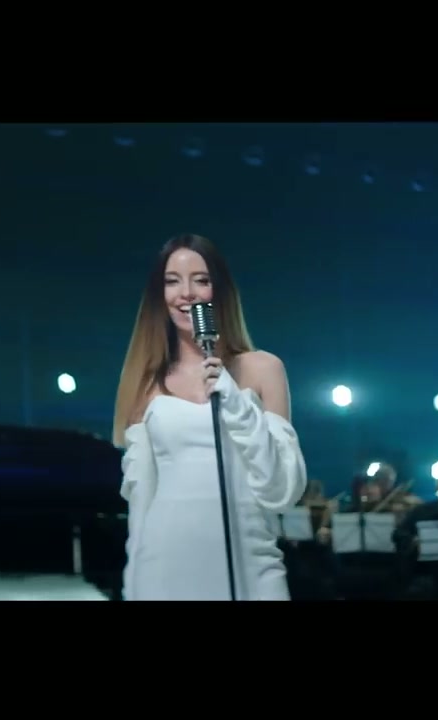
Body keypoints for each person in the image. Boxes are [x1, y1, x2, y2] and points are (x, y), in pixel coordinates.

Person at [112, 233, 307, 600]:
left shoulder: (264, 368)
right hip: (164, 562)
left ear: (221, 291)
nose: (186, 293)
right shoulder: (145, 383)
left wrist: (234, 402)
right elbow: (141, 500)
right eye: (172, 281)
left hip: (249, 562)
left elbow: (281, 489)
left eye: (200, 280)